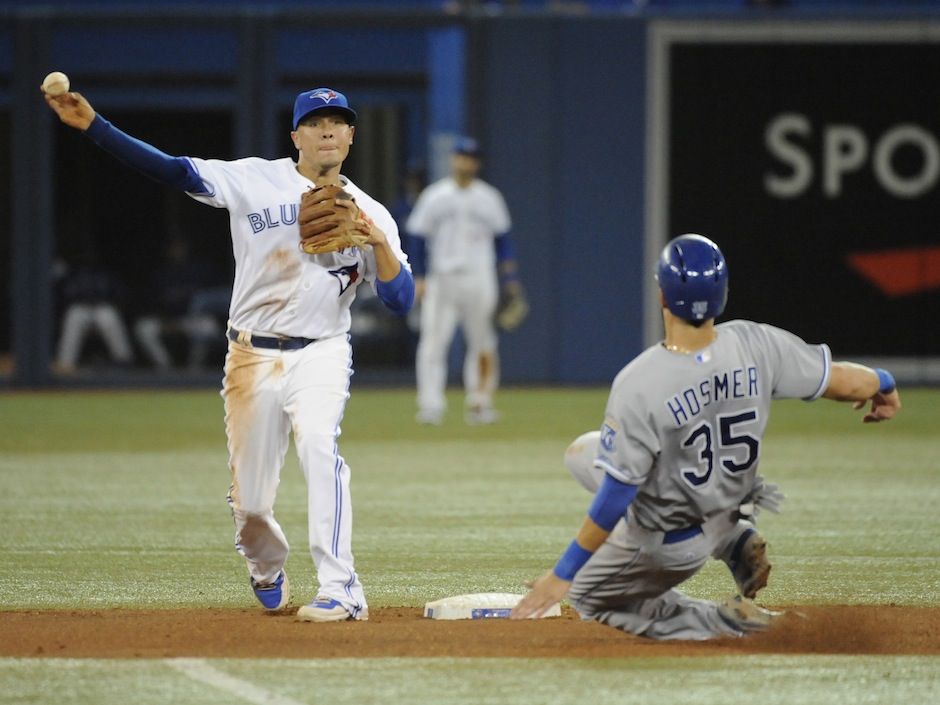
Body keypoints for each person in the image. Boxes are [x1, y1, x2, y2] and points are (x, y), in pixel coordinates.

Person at [44, 85, 414, 622]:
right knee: (253, 506)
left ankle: (342, 588)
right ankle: (266, 566)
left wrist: (377, 241)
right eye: (315, 122)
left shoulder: (372, 211)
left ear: (352, 136)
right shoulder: (254, 179)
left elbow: (400, 301)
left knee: (319, 447)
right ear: (296, 136)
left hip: (323, 352)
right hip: (251, 355)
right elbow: (175, 171)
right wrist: (97, 127)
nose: (327, 130)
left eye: (338, 122)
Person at [511, 233, 901, 639]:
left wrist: (563, 574)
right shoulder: (758, 343)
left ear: (662, 296)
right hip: (726, 508)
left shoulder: (640, 381)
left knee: (591, 597)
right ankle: (734, 540)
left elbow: (615, 497)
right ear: (723, 294)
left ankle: (727, 624)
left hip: (670, 544)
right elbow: (841, 381)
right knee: (580, 453)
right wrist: (884, 384)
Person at [405, 137, 522, 425]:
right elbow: (417, 238)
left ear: (476, 163)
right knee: (433, 341)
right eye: (460, 157)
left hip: (479, 276)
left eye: (470, 158)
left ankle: (480, 402)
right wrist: (418, 276)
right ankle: (431, 405)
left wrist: (510, 278)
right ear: (452, 160)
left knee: (483, 341)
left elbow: (503, 240)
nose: (465, 162)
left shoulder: (489, 197)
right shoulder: (434, 196)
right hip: (441, 277)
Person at [134, 237, 225, 371]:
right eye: (173, 248)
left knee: (208, 326)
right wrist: (165, 321)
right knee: (143, 328)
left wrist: (186, 322)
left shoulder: (199, 271)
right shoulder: (161, 275)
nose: (177, 251)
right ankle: (165, 367)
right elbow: (151, 302)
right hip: (166, 321)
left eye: (180, 247)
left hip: (191, 320)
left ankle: (194, 368)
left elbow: (212, 299)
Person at [53, 253, 134, 374]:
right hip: (81, 308)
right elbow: (64, 296)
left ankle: (123, 360)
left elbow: (120, 294)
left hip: (101, 307)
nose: (89, 258)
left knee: (109, 316)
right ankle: (66, 363)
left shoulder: (107, 272)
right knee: (73, 315)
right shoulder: (73, 272)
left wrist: (117, 305)